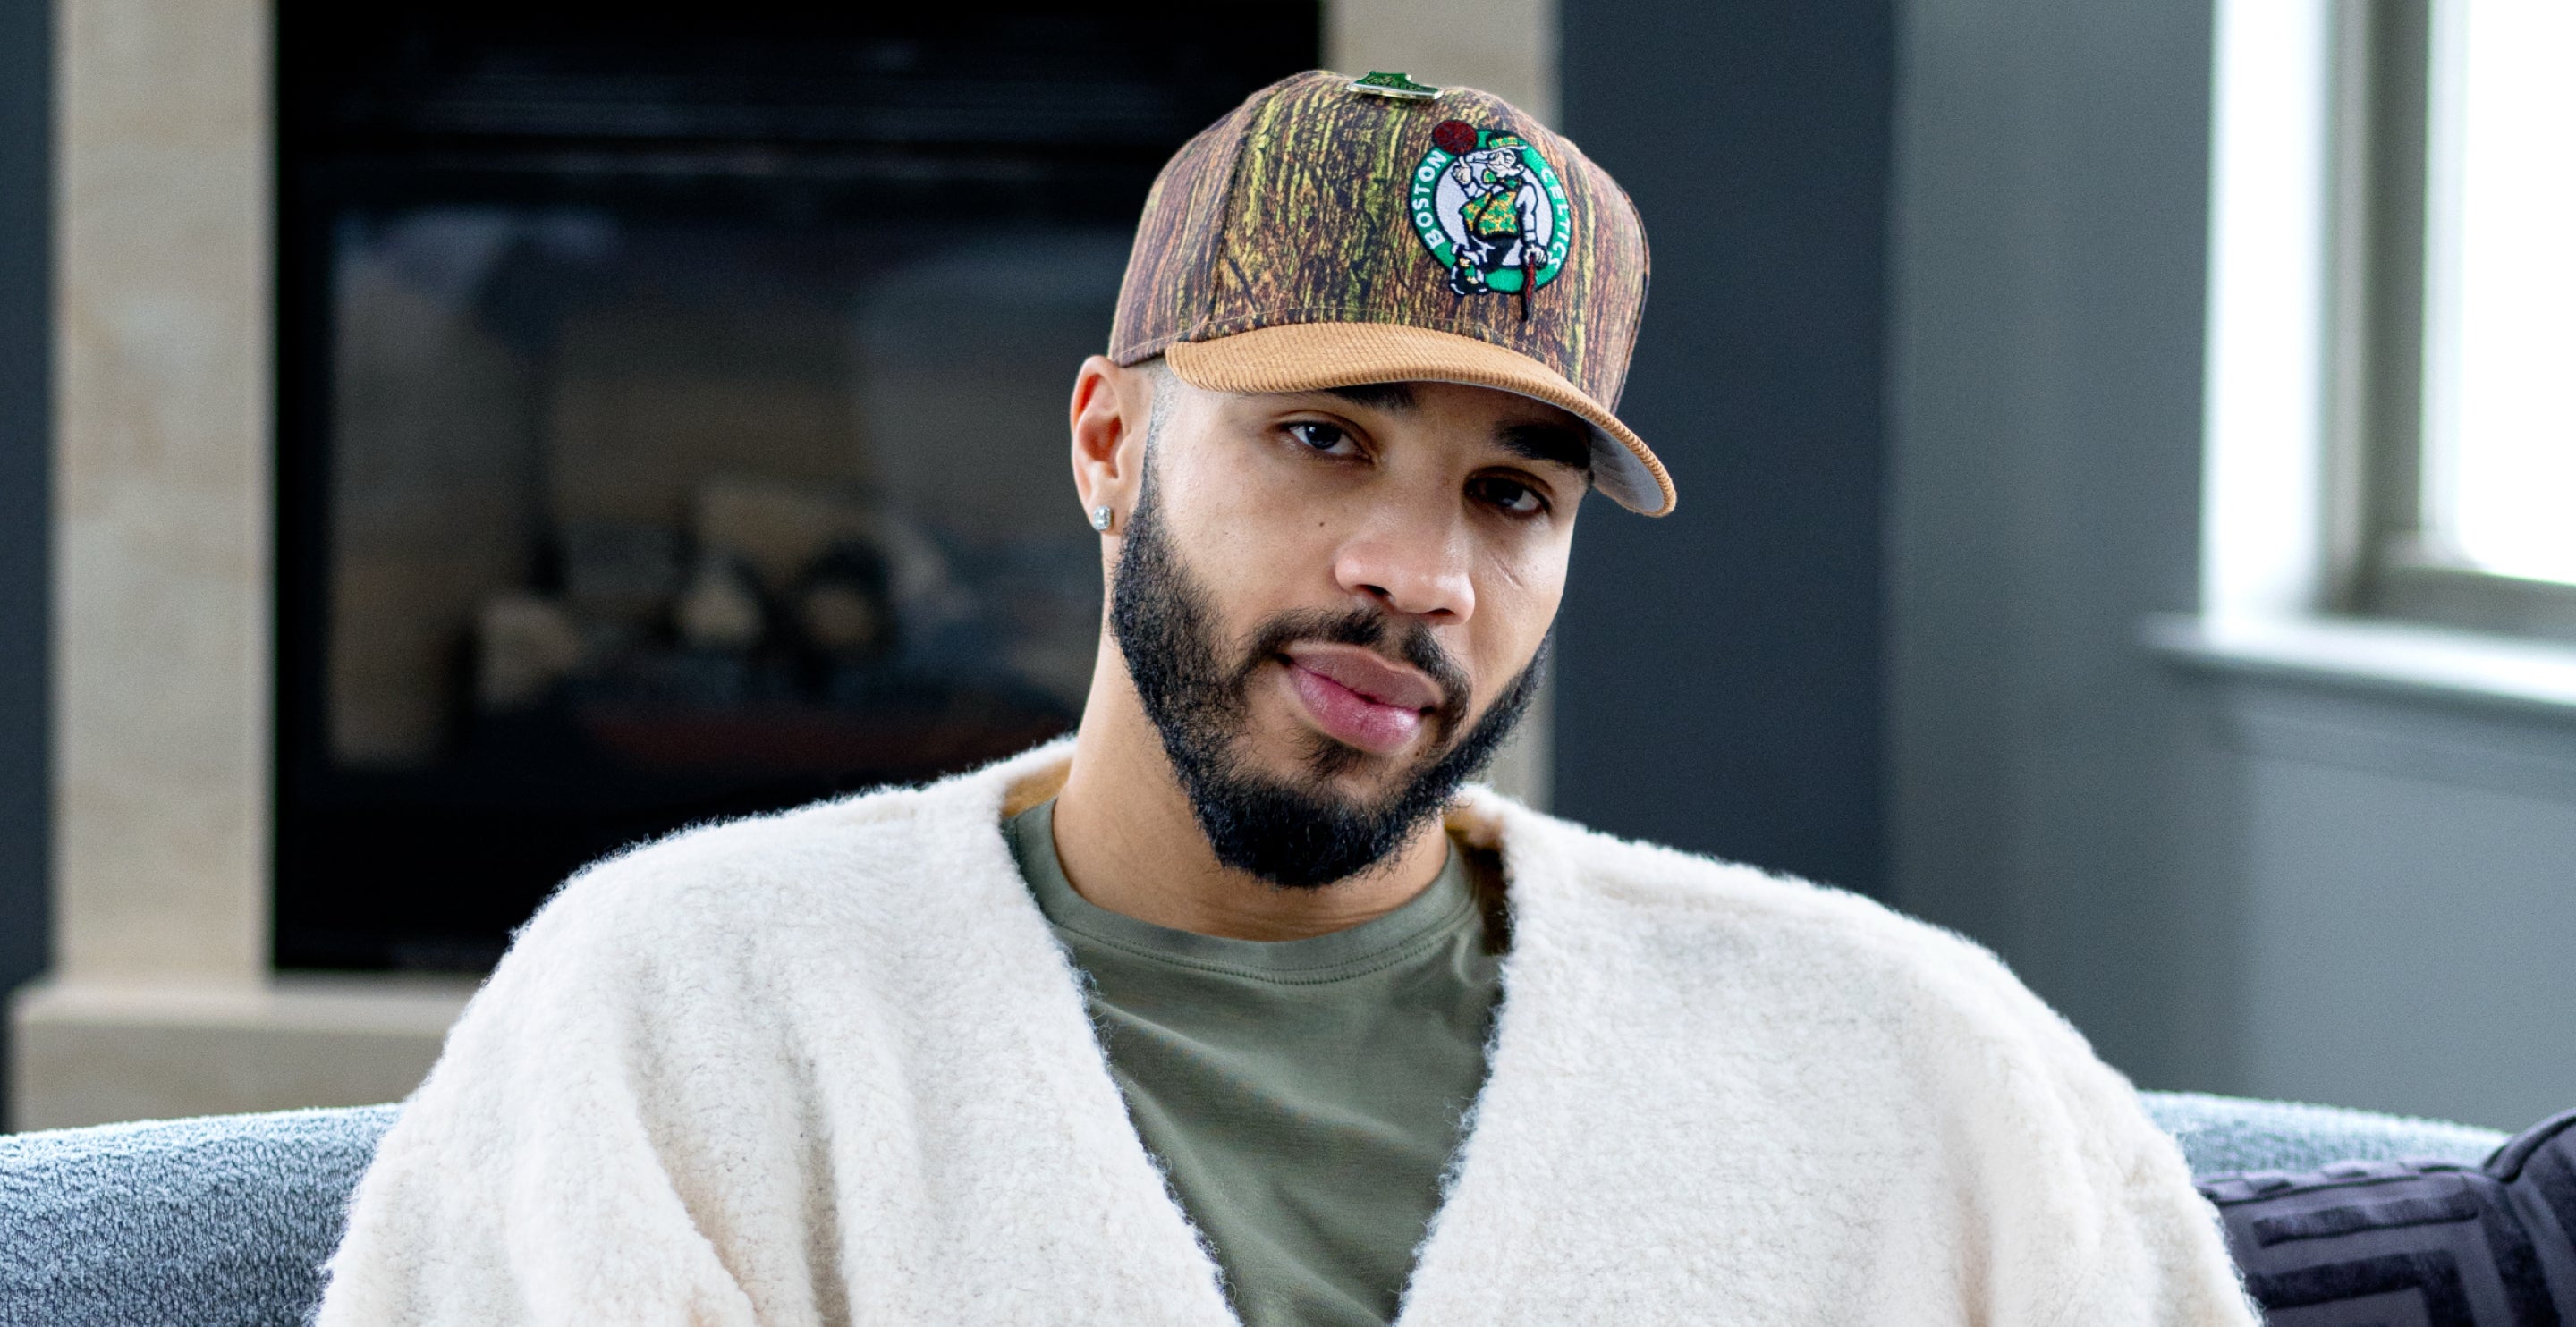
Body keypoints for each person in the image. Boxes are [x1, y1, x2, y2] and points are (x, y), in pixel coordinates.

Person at [317, 71, 2253, 1327]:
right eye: (1325, 436)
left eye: (1513, 494)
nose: (1420, 572)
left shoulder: (1906, 1064)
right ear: (1108, 443)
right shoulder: (687, 1003)